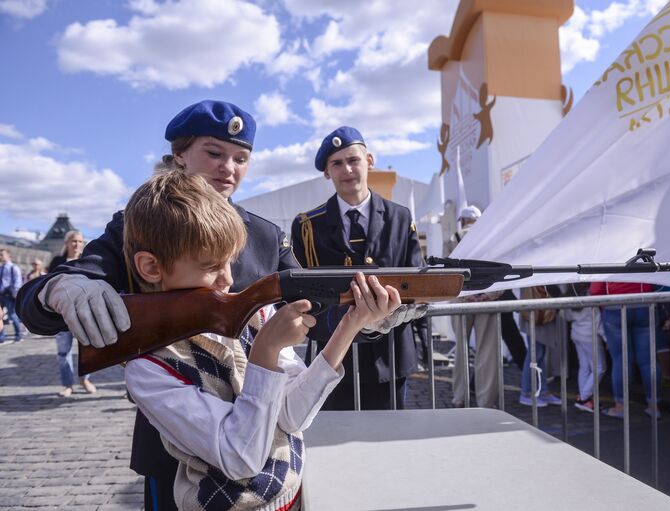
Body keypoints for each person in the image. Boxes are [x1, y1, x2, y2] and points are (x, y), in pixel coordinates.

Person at [16, 100, 301, 511]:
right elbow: (41, 301)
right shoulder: (140, 221)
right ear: (179, 155)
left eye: (241, 158)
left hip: (266, 438)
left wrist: (369, 316)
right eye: (214, 153)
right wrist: (61, 285)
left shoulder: (266, 234)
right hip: (174, 438)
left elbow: (312, 302)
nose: (229, 168)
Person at [124, 170, 401, 510]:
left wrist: (351, 324)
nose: (228, 278)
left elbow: (292, 416)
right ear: (151, 267)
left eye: (230, 261)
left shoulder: (252, 316)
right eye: (212, 266)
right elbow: (241, 458)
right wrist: (265, 353)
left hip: (292, 497)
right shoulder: (147, 368)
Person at [291, 126, 423, 410]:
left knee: (389, 441)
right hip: (334, 359)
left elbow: (417, 283)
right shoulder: (308, 226)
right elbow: (302, 295)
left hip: (389, 355)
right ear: (327, 172)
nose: (347, 169)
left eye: (353, 160)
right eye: (336, 163)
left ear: (370, 161)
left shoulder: (399, 217)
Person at [448, 205, 503, 409]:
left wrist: (464, 294)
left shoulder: (453, 237)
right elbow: (501, 271)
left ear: (462, 220)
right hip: (487, 298)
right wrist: (489, 295)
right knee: (487, 351)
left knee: (461, 348)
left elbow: (446, 272)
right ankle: (486, 399)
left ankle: (459, 396)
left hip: (461, 298)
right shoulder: (492, 238)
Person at [589, 281, 661, 419]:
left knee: (621, 360)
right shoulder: (644, 257)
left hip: (615, 307)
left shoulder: (606, 258)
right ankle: (654, 407)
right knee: (648, 361)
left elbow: (595, 290)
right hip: (645, 304)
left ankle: (620, 407)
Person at [48, 230, 96, 397]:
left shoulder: (88, 261)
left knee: (87, 350)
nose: (77, 244)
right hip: (61, 315)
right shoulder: (57, 261)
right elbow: (48, 285)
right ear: (67, 243)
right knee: (63, 352)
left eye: (80, 241)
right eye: (74, 241)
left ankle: (85, 379)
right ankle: (68, 384)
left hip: (84, 313)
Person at [563, 283, 606, 412]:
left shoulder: (568, 297)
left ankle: (585, 401)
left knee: (584, 367)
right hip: (590, 334)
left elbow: (566, 317)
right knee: (600, 367)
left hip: (576, 333)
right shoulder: (590, 296)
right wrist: (606, 338)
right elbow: (597, 320)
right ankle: (584, 397)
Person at [519, 285, 562, 407]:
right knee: (535, 354)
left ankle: (542, 391)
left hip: (536, 310)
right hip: (536, 310)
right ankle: (526, 393)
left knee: (539, 354)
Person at [0, 248, 23, 344]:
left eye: (2, 254)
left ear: (8, 255)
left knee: (12, 315)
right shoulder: (1, 268)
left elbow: (18, 282)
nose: (0, 256)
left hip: (9, 295)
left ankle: (18, 334)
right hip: (1, 294)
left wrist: (14, 294)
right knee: (0, 316)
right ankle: (1, 336)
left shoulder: (14, 268)